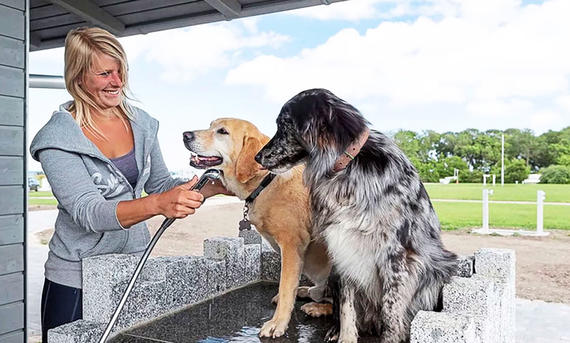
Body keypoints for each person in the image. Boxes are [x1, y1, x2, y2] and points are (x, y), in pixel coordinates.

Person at [29, 27, 230, 342]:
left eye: (121, 71)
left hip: (131, 267)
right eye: (105, 73)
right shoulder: (57, 140)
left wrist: (215, 186)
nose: (118, 82)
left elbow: (163, 184)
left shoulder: (141, 124)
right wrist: (156, 205)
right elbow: (90, 212)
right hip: (74, 279)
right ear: (78, 77)